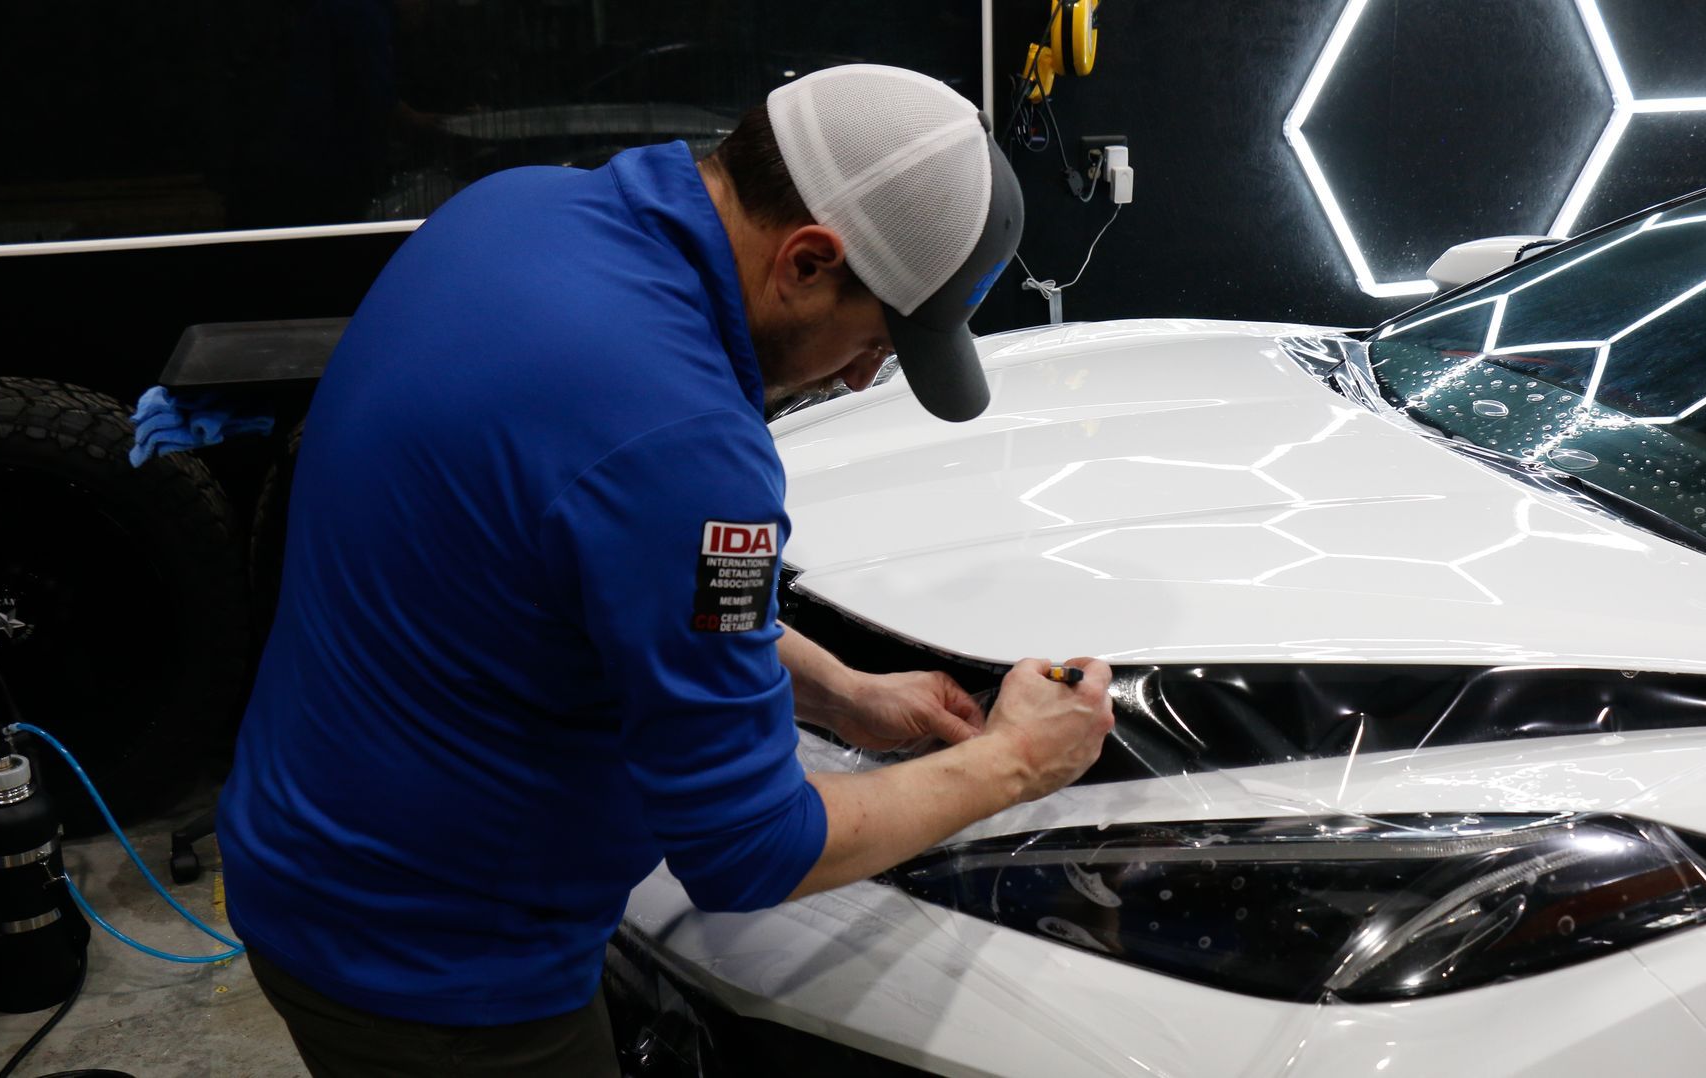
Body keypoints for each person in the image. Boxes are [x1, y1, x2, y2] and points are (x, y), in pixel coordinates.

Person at [216, 63, 1115, 1076]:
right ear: (809, 261)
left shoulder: (514, 209)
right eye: (878, 338)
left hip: (311, 848)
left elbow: (610, 573)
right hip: (437, 968)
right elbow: (752, 848)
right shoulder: (687, 446)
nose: (865, 374)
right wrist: (1014, 764)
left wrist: (845, 696)